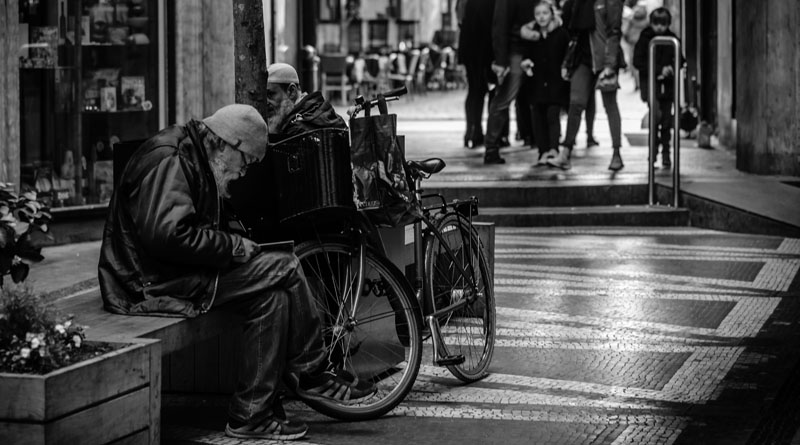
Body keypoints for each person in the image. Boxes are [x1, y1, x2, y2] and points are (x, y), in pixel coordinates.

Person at [98, 104, 375, 441]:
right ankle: (313, 372)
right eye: (245, 162)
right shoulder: (171, 158)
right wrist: (232, 247)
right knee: (285, 264)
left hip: (173, 273)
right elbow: (168, 236)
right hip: (149, 283)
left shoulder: (196, 154)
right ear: (226, 144)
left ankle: (250, 416)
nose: (244, 172)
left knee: (271, 296)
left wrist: (235, 244)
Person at [549, 0, 626, 171]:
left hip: (604, 58)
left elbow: (614, 32)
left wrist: (610, 64)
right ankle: (565, 153)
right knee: (576, 104)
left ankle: (616, 154)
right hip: (582, 57)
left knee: (610, 105)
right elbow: (572, 30)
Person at [483, 0, 535, 164]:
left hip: (527, 50)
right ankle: (491, 148)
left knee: (508, 100)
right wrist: (501, 60)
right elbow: (500, 27)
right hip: (515, 52)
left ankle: (543, 145)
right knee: (503, 100)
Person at [520, 0, 570, 165]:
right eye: (538, 14)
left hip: (556, 83)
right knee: (538, 117)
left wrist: (565, 71)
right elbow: (525, 54)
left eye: (545, 13)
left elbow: (565, 55)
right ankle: (542, 151)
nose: (541, 17)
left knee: (552, 115)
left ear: (552, 14)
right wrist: (526, 62)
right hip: (536, 83)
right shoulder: (531, 35)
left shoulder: (561, 33)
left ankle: (553, 148)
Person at [633, 7, 679, 168]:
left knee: (666, 121)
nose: (659, 28)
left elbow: (681, 60)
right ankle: (653, 153)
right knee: (656, 117)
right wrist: (659, 69)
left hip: (667, 88)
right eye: (656, 24)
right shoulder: (646, 38)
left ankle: (666, 153)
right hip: (651, 86)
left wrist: (672, 68)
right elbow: (638, 61)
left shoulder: (672, 39)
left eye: (663, 24)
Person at [265, 62, 347, 140]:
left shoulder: (297, 130)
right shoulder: (319, 110)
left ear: (291, 91)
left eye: (270, 94)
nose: (266, 101)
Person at [457, 0, 495, 149]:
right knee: (483, 92)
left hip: (470, 49)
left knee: (475, 92)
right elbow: (489, 24)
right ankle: (479, 133)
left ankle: (472, 132)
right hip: (483, 51)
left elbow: (462, 22)